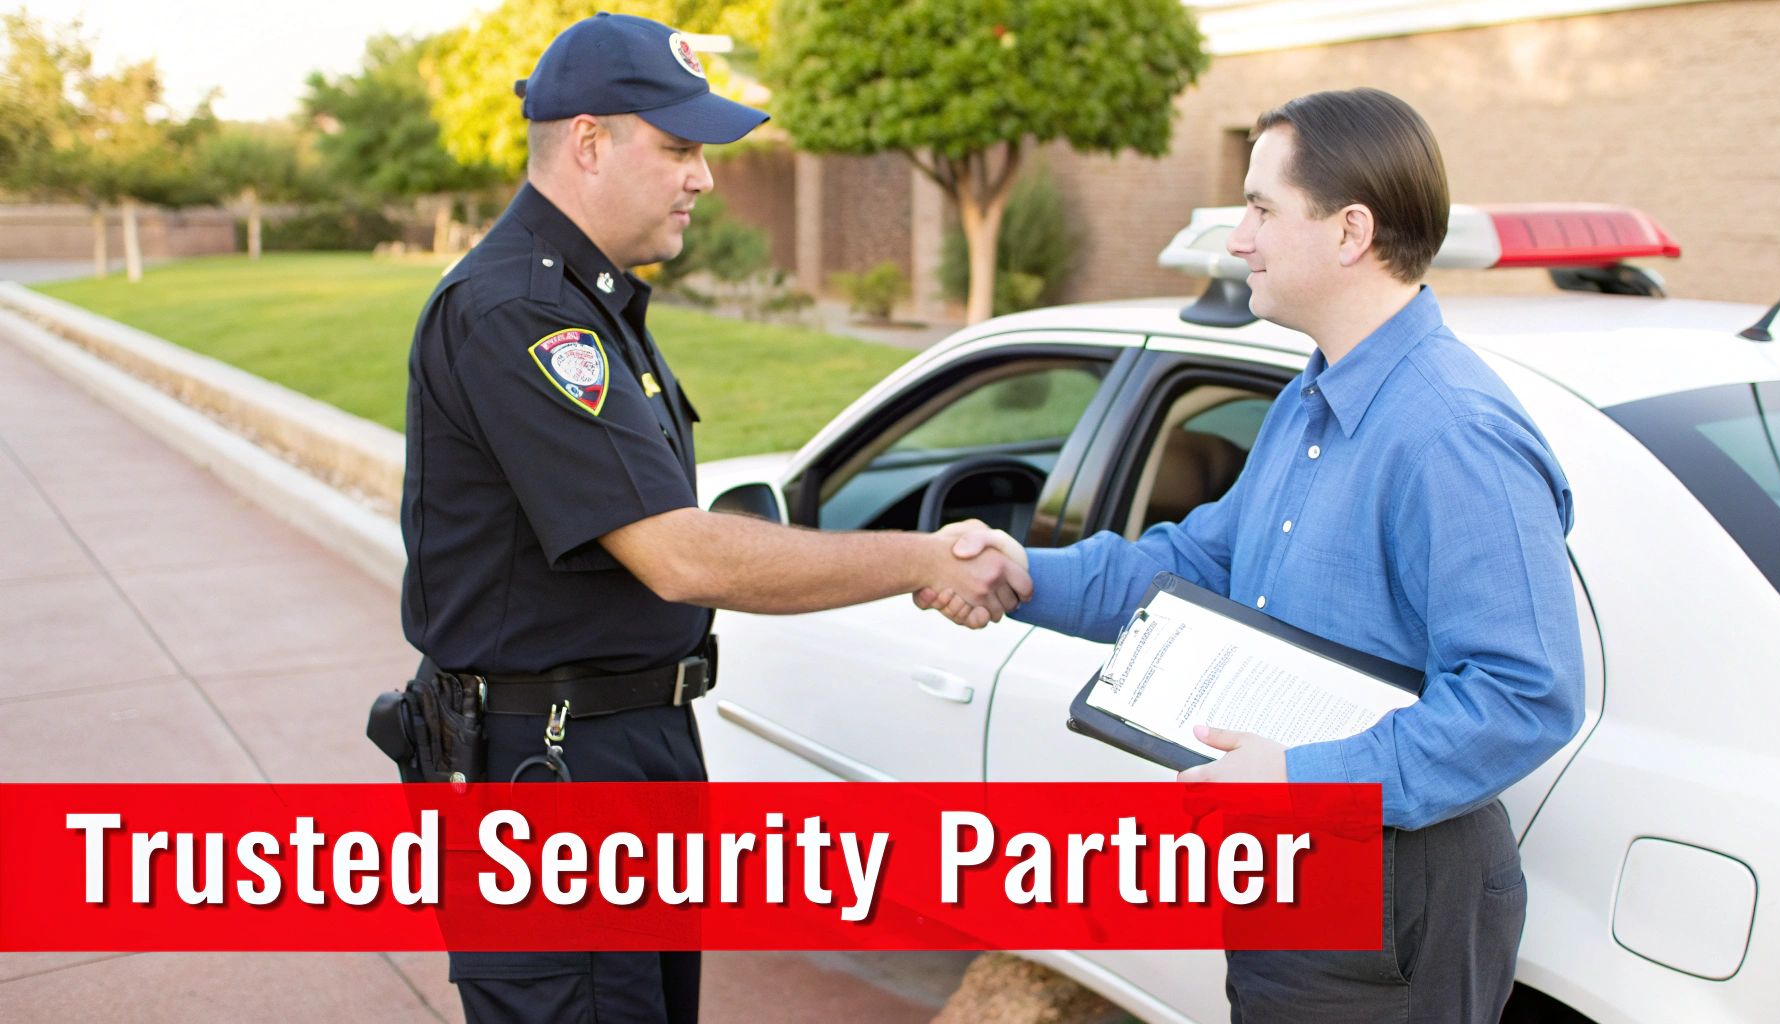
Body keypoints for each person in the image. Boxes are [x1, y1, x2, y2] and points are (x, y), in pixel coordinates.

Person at [398, 13, 1030, 1023]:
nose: (702, 177)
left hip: (614, 745)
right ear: (589, 142)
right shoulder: (520, 310)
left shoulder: (590, 302)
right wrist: (921, 556)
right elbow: (679, 554)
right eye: (679, 147)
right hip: (554, 768)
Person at [922, 88, 1584, 1022]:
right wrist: (1022, 575)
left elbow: (1525, 696)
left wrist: (1298, 783)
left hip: (1391, 889)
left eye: (1263, 207)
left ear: (1350, 231)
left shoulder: (1451, 432)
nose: (1239, 240)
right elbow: (1199, 566)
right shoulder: (1309, 403)